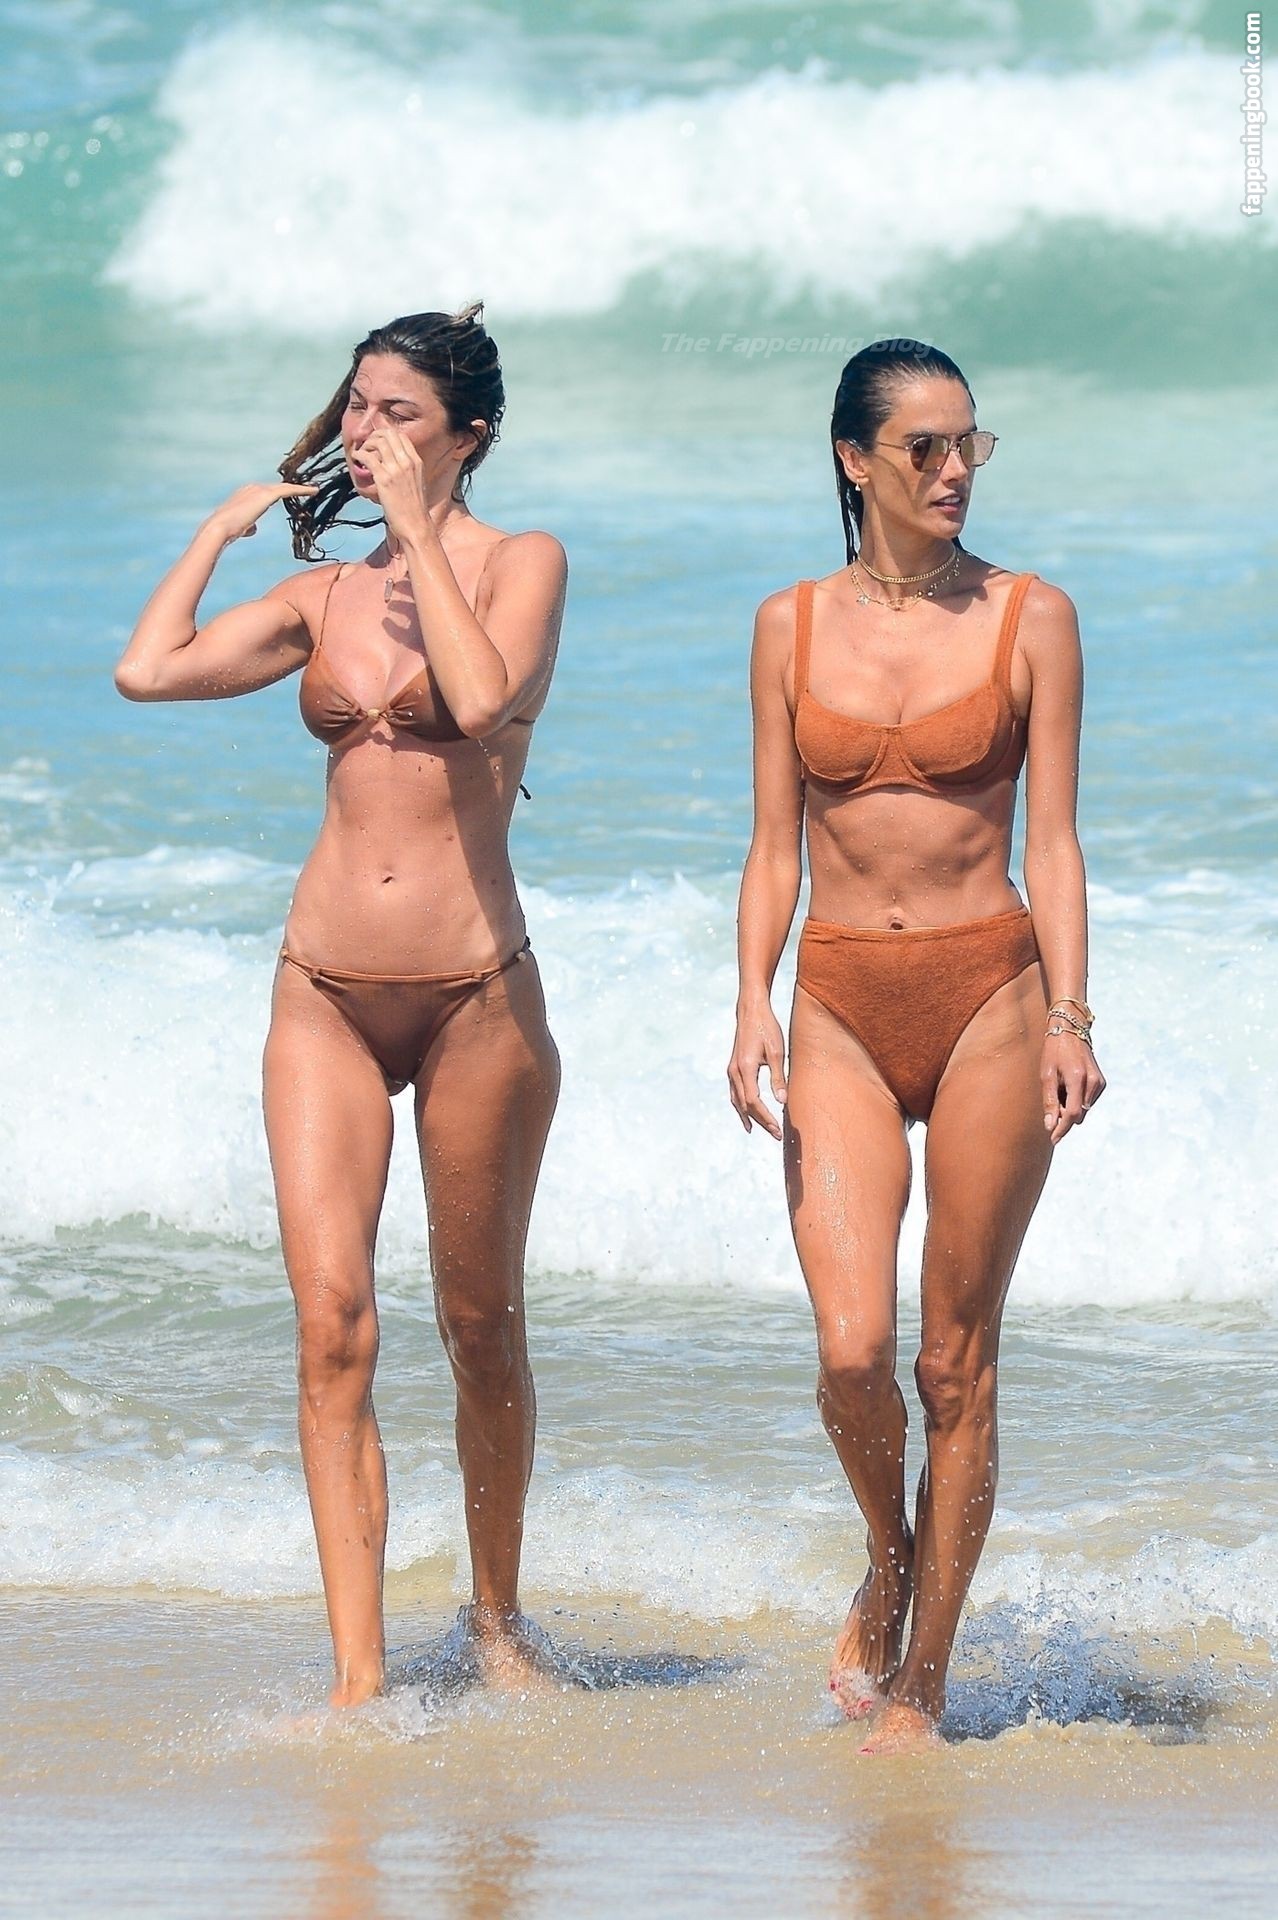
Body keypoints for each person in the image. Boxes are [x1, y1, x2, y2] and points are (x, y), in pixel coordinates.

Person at [116, 305, 567, 1706]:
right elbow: (148, 671)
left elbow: (480, 702)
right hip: (321, 993)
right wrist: (221, 530)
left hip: (476, 996)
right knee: (333, 1327)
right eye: (357, 407)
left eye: (399, 414)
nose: (367, 433)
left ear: (466, 435)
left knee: (478, 1324)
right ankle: (361, 1680)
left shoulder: (523, 564)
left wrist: (420, 532)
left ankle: (495, 1624)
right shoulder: (321, 600)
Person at [727, 339, 1105, 1755]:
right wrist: (749, 999)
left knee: (952, 1362)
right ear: (855, 459)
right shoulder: (787, 624)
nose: (954, 472)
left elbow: (1053, 842)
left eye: (969, 446)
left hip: (990, 992)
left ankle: (925, 1680)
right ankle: (887, 1563)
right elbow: (773, 844)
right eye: (924, 449)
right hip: (836, 995)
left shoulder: (1031, 615)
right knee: (850, 1352)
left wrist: (1071, 1014)